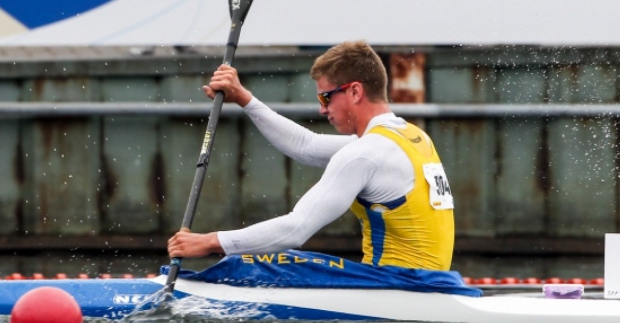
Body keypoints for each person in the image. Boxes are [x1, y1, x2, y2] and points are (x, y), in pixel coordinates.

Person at [167, 41, 455, 271]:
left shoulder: (364, 154)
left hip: (397, 288)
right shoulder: (411, 137)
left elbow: (296, 230)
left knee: (247, 264)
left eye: (325, 97)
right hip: (429, 284)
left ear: (355, 91)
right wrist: (244, 99)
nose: (322, 110)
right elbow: (306, 145)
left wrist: (208, 242)